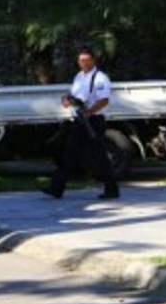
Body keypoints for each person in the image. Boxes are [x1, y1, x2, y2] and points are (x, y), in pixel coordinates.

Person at [41, 46, 119, 200]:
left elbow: (104, 100)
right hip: (79, 121)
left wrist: (89, 112)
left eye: (86, 60)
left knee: (99, 157)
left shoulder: (100, 78)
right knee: (69, 154)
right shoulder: (79, 76)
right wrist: (67, 99)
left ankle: (112, 189)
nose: (83, 63)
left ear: (93, 60)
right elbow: (74, 95)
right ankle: (56, 188)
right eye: (80, 60)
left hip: (93, 122)